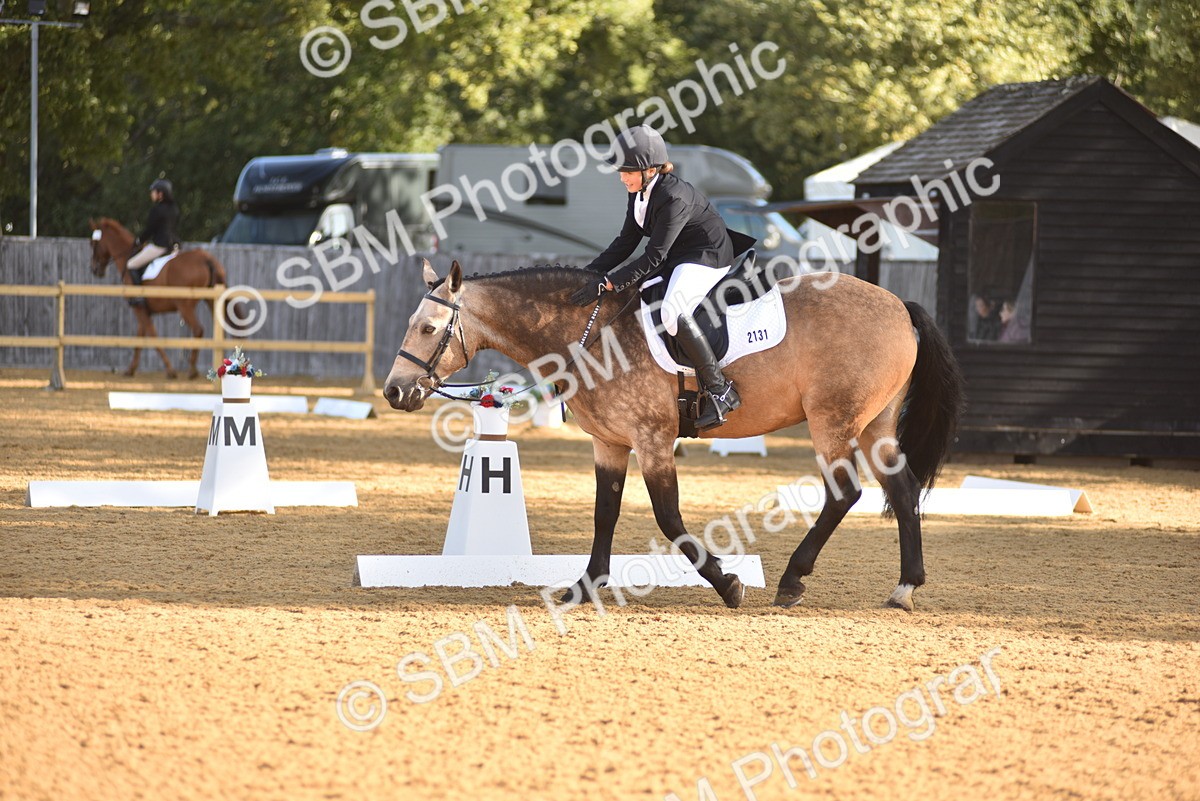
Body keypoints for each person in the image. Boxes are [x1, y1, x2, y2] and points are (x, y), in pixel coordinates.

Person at [569, 125, 742, 430]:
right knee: (637, 297)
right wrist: (588, 275)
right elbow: (624, 243)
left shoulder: (674, 197)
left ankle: (720, 389)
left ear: (650, 169)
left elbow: (654, 257)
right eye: (621, 170)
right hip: (680, 254)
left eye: (628, 171)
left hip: (707, 256)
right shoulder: (640, 194)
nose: (622, 177)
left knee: (672, 312)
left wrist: (609, 283)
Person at [126, 179, 181, 305]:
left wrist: (139, 240)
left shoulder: (157, 210)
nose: (152, 194)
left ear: (160, 194)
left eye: (154, 192)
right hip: (175, 246)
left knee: (131, 264)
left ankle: (140, 296)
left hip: (160, 246)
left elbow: (150, 229)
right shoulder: (175, 209)